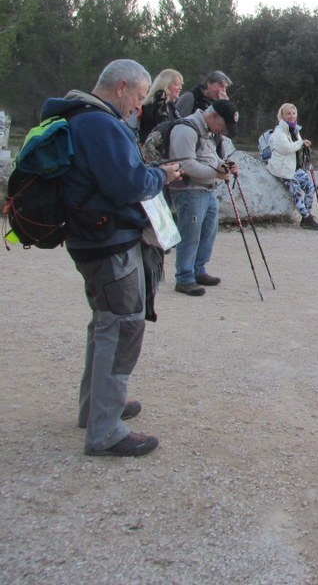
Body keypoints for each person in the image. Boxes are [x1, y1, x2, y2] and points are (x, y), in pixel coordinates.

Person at [39, 59, 181, 457]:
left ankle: (96, 410)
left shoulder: (79, 118)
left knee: (105, 325)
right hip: (110, 243)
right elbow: (128, 184)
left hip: (92, 240)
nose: (139, 106)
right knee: (122, 328)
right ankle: (105, 430)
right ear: (120, 87)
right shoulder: (100, 124)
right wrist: (162, 176)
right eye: (137, 97)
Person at [168, 100, 240, 296]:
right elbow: (186, 165)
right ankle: (184, 277)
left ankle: (198, 270)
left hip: (207, 189)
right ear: (214, 116)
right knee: (190, 234)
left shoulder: (207, 130)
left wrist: (224, 164)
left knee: (208, 231)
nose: (224, 131)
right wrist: (216, 173)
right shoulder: (187, 129)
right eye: (224, 126)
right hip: (189, 189)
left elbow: (209, 157)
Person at [267, 102, 318, 230]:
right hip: (283, 169)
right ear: (282, 116)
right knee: (296, 191)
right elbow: (286, 148)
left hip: (294, 167)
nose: (291, 116)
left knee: (310, 187)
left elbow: (297, 145)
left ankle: (306, 216)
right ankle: (307, 218)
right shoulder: (279, 132)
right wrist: (301, 143)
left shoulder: (295, 130)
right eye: (288, 114)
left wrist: (302, 144)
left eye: (293, 113)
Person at [138, 68, 183, 142]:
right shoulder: (157, 105)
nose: (180, 88)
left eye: (180, 85)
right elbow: (164, 128)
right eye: (176, 84)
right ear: (166, 84)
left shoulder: (170, 105)